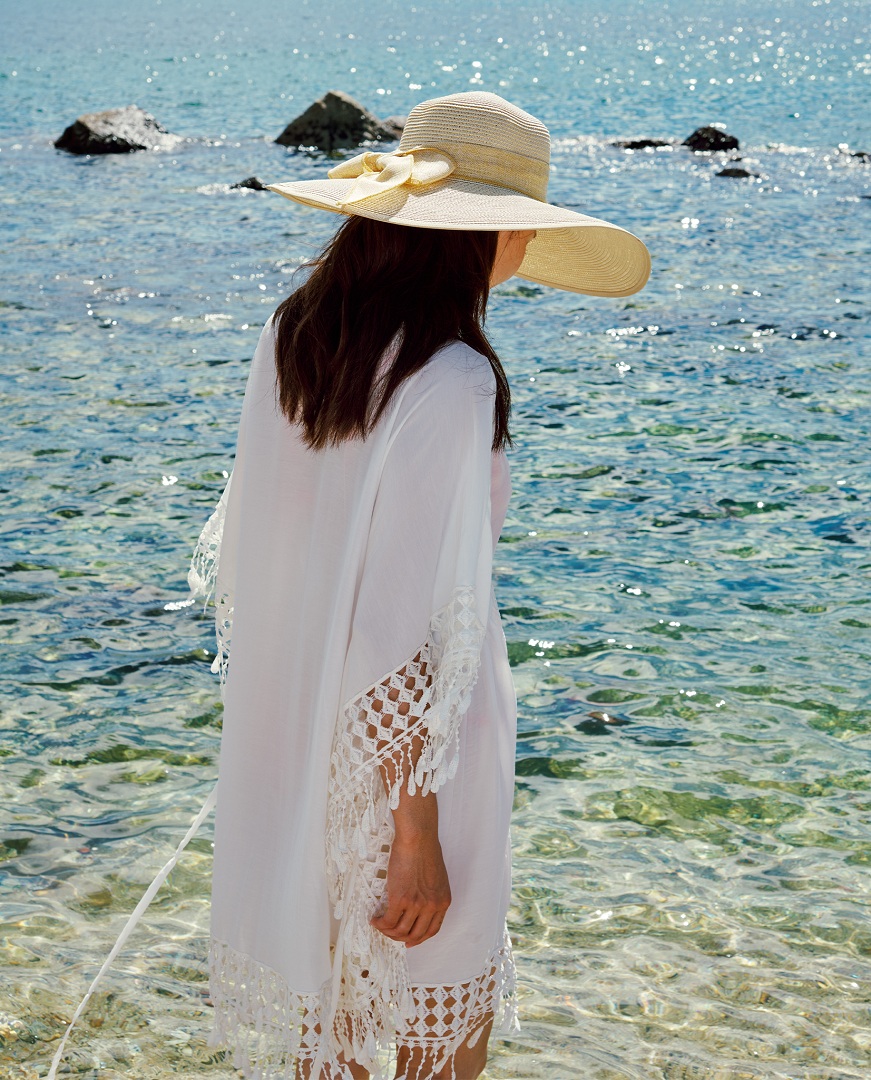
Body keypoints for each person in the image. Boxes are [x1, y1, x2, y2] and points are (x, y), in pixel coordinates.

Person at [192, 91, 651, 1080]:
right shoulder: (452, 379)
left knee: (332, 1037)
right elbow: (408, 627)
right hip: (418, 764)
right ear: (483, 232)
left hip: (296, 724)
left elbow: (260, 549)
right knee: (443, 1044)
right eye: (521, 219)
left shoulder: (295, 335)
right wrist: (416, 830)